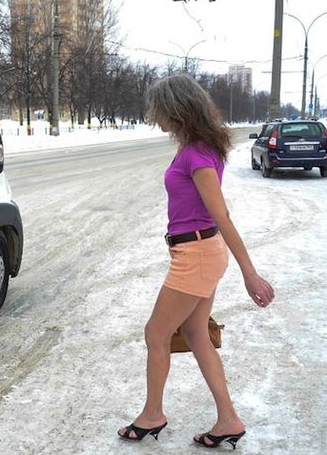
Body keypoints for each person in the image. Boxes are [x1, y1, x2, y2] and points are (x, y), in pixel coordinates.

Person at [117, 74, 275, 448]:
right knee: (195, 335)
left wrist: (249, 273)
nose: (156, 118)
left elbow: (222, 216)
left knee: (156, 334)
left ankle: (153, 413)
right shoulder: (197, 147)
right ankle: (228, 419)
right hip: (198, 251)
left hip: (197, 254)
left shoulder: (197, 154)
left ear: (176, 110)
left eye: (159, 111)